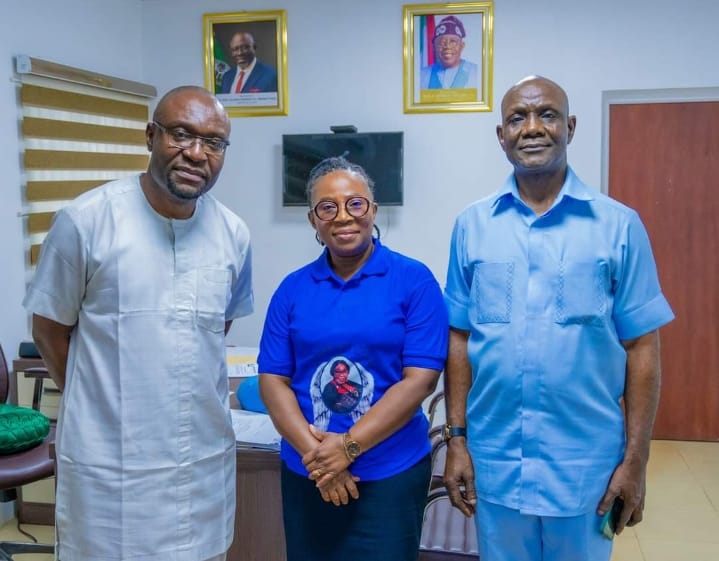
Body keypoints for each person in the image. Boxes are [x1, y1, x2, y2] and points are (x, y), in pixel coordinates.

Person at [442, 76, 674, 561]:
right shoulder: (472, 226)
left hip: (586, 472)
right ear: (501, 136)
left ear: (569, 127)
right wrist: (457, 440)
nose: (532, 128)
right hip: (497, 463)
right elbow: (460, 337)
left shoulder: (619, 225)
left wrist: (636, 460)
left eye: (547, 114)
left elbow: (642, 348)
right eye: (516, 118)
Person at [24, 85, 253, 561]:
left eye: (213, 143)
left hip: (201, 460)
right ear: (151, 136)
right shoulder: (86, 221)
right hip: (111, 465)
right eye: (181, 135)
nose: (196, 153)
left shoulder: (234, 233)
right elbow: (48, 329)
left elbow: (217, 328)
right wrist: (100, 403)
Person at [257, 156, 448, 561]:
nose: (343, 216)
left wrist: (348, 448)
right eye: (328, 207)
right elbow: (272, 379)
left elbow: (421, 380)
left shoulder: (413, 281)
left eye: (355, 204)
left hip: (390, 474)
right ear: (313, 220)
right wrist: (322, 458)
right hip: (308, 472)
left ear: (373, 211)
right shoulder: (291, 290)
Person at [420, 15, 478, 90]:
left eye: (453, 42)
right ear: (434, 47)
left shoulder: (477, 72)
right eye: (441, 42)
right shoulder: (421, 76)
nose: (447, 46)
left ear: (462, 46)